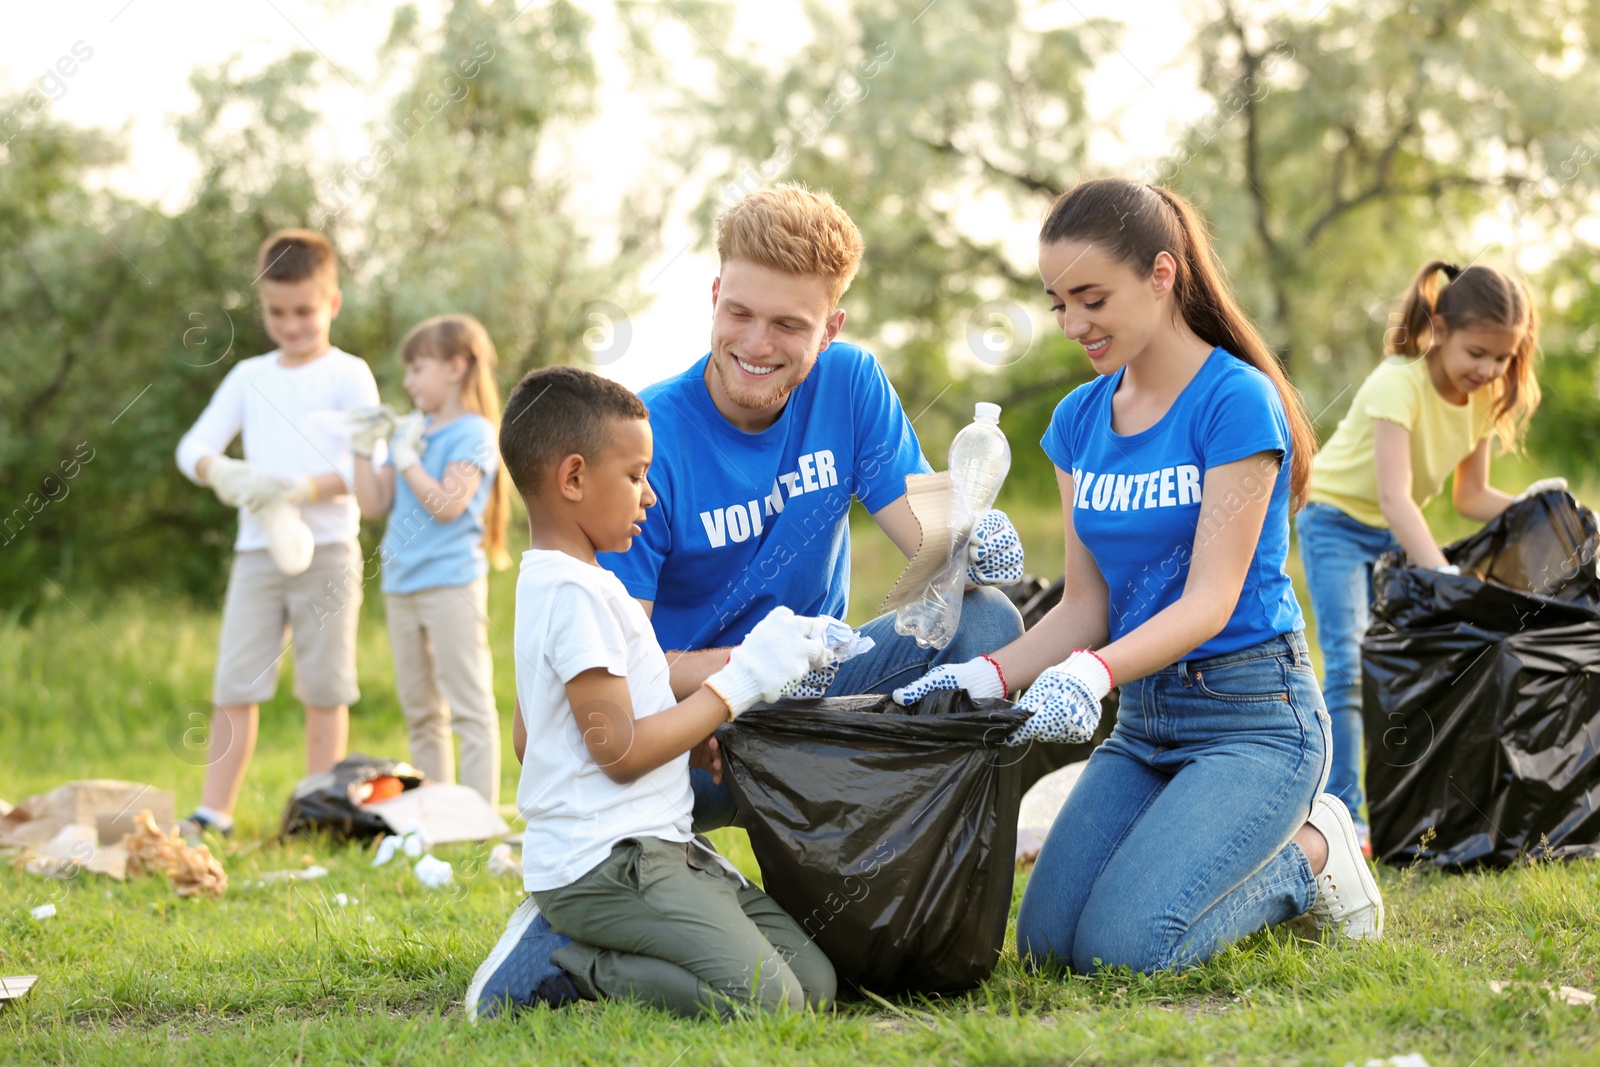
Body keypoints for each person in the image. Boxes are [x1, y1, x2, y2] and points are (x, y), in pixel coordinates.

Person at [893, 178, 1383, 975]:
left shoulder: (1234, 402)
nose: (1072, 324)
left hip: (1253, 715)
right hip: (1144, 722)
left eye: (1091, 298)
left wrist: (1091, 673)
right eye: (1057, 303)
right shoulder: (1078, 420)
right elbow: (1086, 607)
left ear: (1161, 274)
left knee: (1126, 949)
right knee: (1049, 947)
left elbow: (1211, 599)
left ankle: (1316, 855)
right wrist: (979, 677)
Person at [597, 183, 1026, 829]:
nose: (757, 345)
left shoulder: (850, 383)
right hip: (694, 725)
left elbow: (929, 543)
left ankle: (886, 842)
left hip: (818, 695)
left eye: (789, 325)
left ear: (830, 329)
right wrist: (751, 670)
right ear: (714, 298)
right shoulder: (647, 435)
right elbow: (622, 673)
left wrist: (969, 537)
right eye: (739, 313)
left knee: (987, 622)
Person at [466, 365, 839, 1019]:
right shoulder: (572, 593)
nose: (650, 497)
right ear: (574, 478)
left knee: (816, 983)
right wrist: (742, 680)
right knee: (772, 1005)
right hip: (607, 863)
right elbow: (621, 752)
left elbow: (538, 735)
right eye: (635, 475)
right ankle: (570, 963)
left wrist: (682, 741)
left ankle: (597, 938)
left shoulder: (582, 583)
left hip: (658, 846)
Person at [1296, 261, 1548, 852]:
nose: (1488, 370)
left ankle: (1410, 799)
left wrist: (1541, 503)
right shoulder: (1397, 384)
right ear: (1440, 328)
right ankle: (1346, 815)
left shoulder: (1483, 400)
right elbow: (1394, 495)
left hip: (1391, 531)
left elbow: (1471, 496)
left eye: (1503, 359)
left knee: (1410, 665)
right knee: (1350, 661)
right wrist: (1440, 572)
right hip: (1335, 521)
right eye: (1477, 352)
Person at [175, 229, 378, 838]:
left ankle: (317, 812)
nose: (290, 324)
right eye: (276, 312)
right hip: (257, 550)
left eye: (304, 312)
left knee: (324, 685)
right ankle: (215, 811)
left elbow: (371, 463)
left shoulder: (351, 375)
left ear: (332, 303)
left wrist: (302, 487)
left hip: (330, 551)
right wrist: (226, 473)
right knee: (236, 682)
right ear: (262, 305)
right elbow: (193, 447)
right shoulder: (247, 377)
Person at [351, 314, 511, 807]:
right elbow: (374, 503)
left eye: (418, 368)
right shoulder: (414, 429)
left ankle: (478, 815)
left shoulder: (475, 432)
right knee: (421, 711)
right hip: (401, 586)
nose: (408, 381)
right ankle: (437, 813)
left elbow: (448, 505)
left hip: (450, 586)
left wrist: (406, 460)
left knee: (469, 708)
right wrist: (362, 449)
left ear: (456, 367)